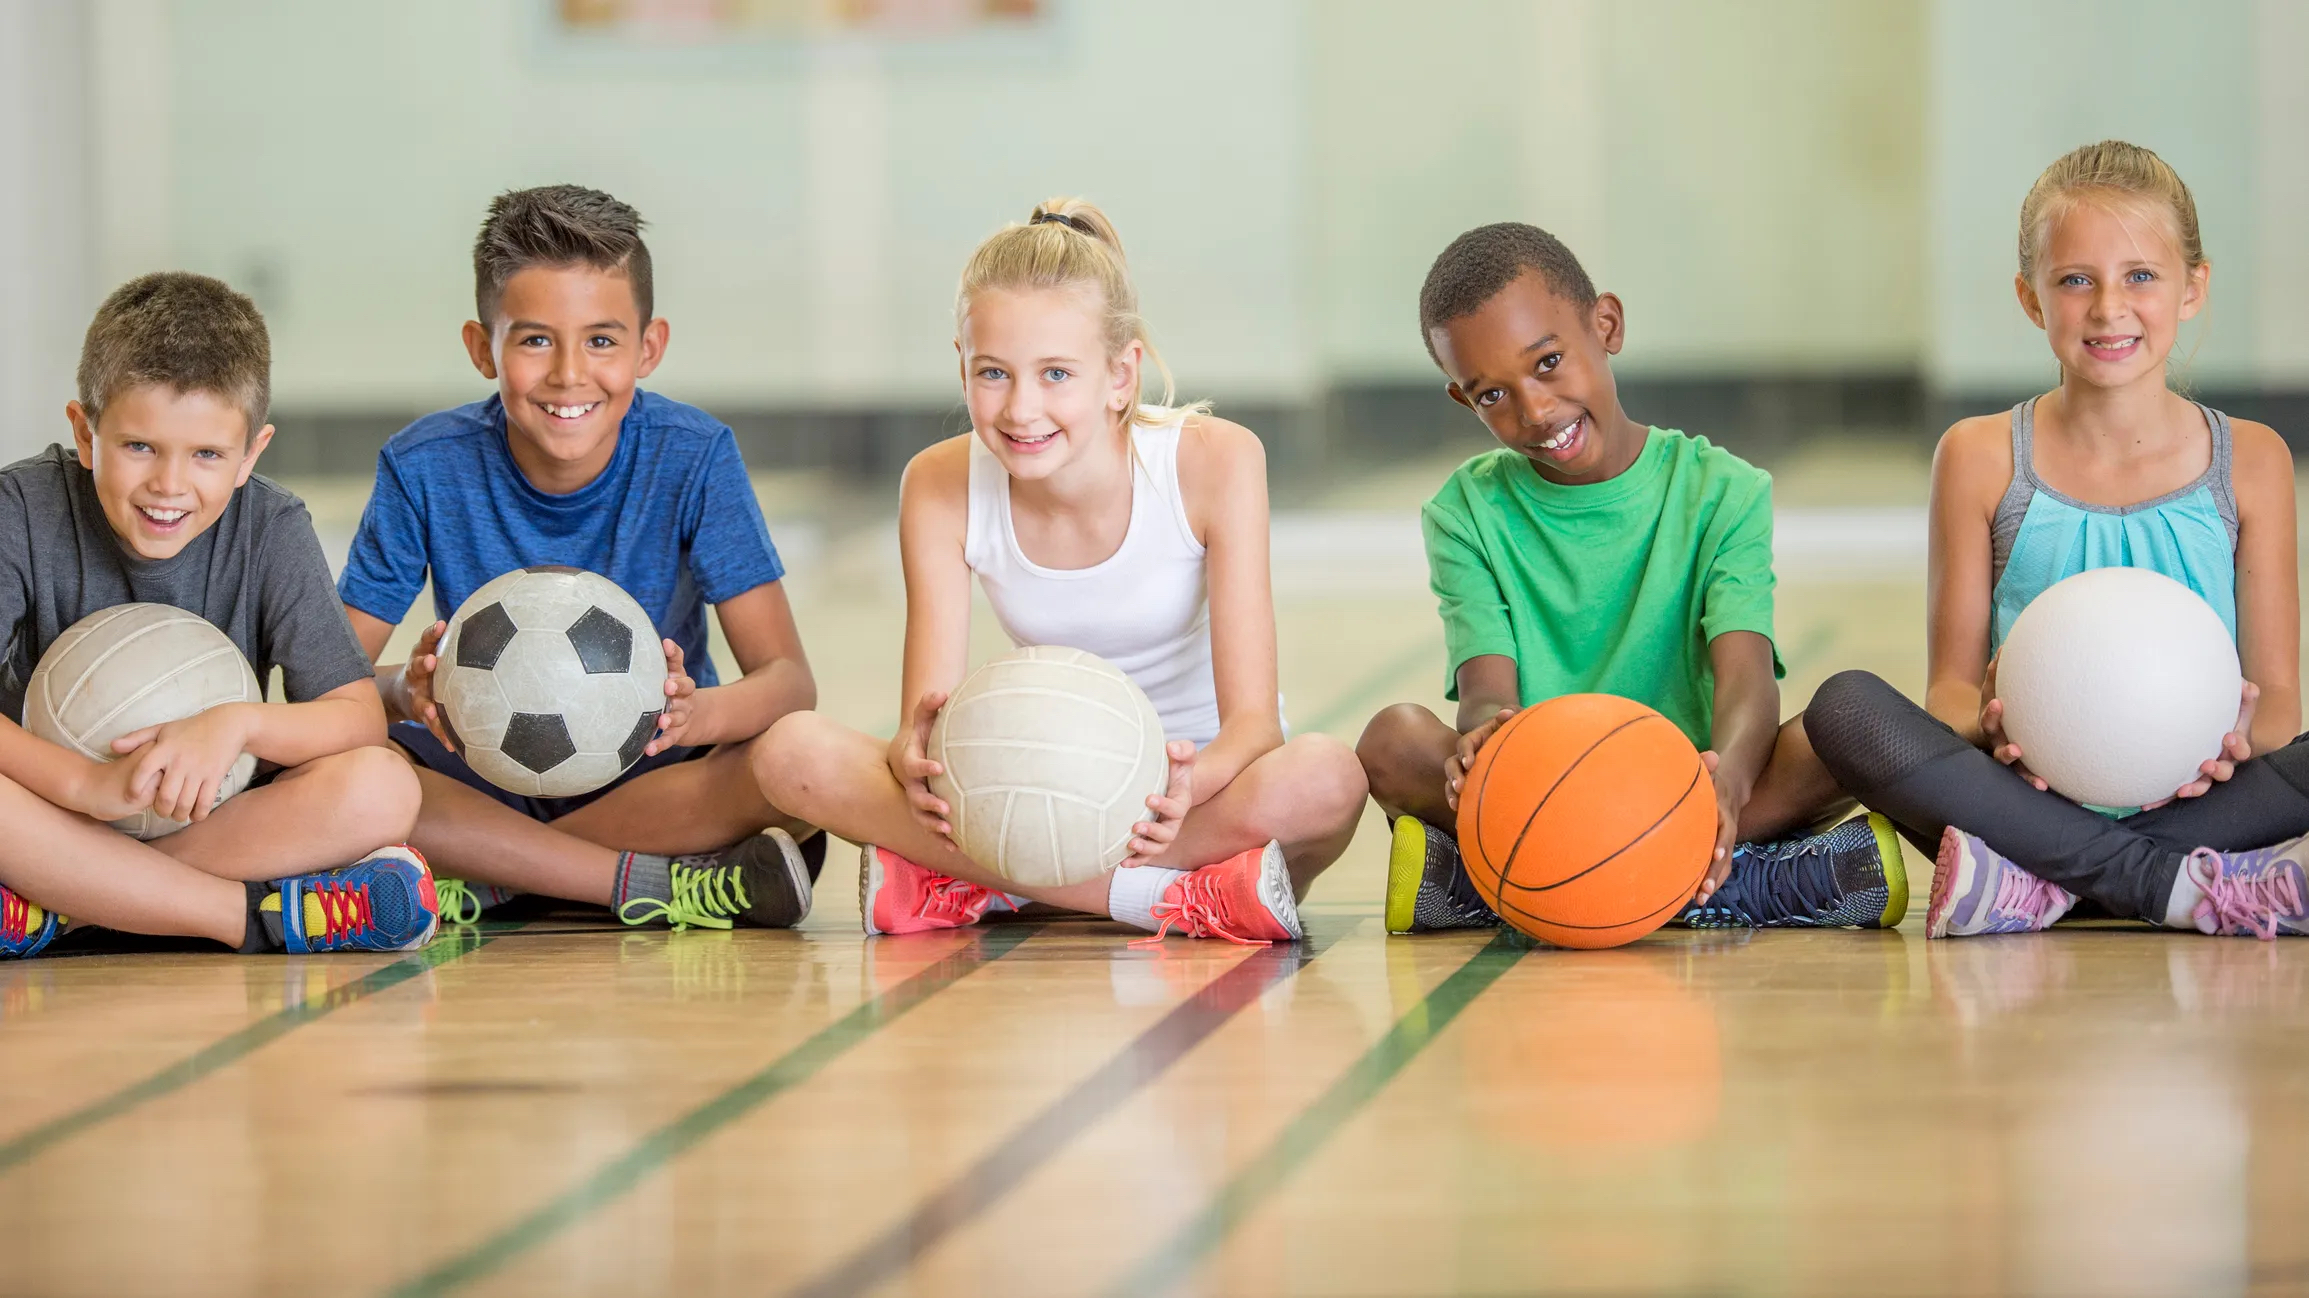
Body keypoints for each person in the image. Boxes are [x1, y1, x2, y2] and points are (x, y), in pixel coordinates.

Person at [759, 198, 1368, 944]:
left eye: (1055, 373)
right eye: (993, 372)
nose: (1021, 409)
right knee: (789, 753)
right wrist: (910, 756)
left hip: (1195, 796)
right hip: (1029, 783)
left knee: (1329, 778)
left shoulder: (1217, 460)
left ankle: (991, 886)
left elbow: (1252, 728)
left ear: (1120, 375)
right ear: (961, 365)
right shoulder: (937, 483)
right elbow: (925, 716)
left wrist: (1182, 790)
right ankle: (1170, 899)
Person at [1807, 140, 2306, 940]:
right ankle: (2167, 886)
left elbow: (2279, 703)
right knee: (1845, 709)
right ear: (2030, 297)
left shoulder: (2250, 459)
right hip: (2022, 799)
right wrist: (1993, 728)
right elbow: (1949, 695)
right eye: (2075, 280)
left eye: (2139, 276)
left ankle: (2044, 885)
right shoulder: (1977, 456)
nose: (2108, 308)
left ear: (2192, 288)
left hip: (2192, 803)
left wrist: (2236, 740)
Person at [1355, 222, 1905, 935]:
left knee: (1847, 727)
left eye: (1548, 362)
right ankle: (1730, 881)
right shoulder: (1463, 513)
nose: (1534, 410)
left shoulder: (1723, 490)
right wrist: (1484, 737)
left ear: (1606, 325)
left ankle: (1510, 884)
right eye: (1491, 396)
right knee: (1391, 741)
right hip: (1545, 790)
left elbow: (1745, 679)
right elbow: (1487, 691)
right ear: (1464, 399)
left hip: (1689, 784)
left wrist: (1724, 786)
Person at [339, 185, 822, 932]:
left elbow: (788, 681)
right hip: (475, 775)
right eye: (535, 341)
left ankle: (498, 875)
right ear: (482, 348)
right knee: (351, 773)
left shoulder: (692, 456)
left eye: (601, 341)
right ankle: (643, 883)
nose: (569, 374)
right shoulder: (423, 466)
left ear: (648, 347)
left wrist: (693, 715)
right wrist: (407, 690)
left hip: (648, 777)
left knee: (793, 761)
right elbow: (328, 691)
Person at [0, 272, 438, 959]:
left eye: (206, 454)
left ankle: (61, 908)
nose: (169, 485)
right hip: (48, 812)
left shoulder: (270, 527)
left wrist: (237, 724)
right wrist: (83, 784)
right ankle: (249, 917)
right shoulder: (22, 509)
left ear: (250, 454)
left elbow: (355, 716)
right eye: (139, 446)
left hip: (206, 821)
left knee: (382, 787)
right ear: (85, 434)